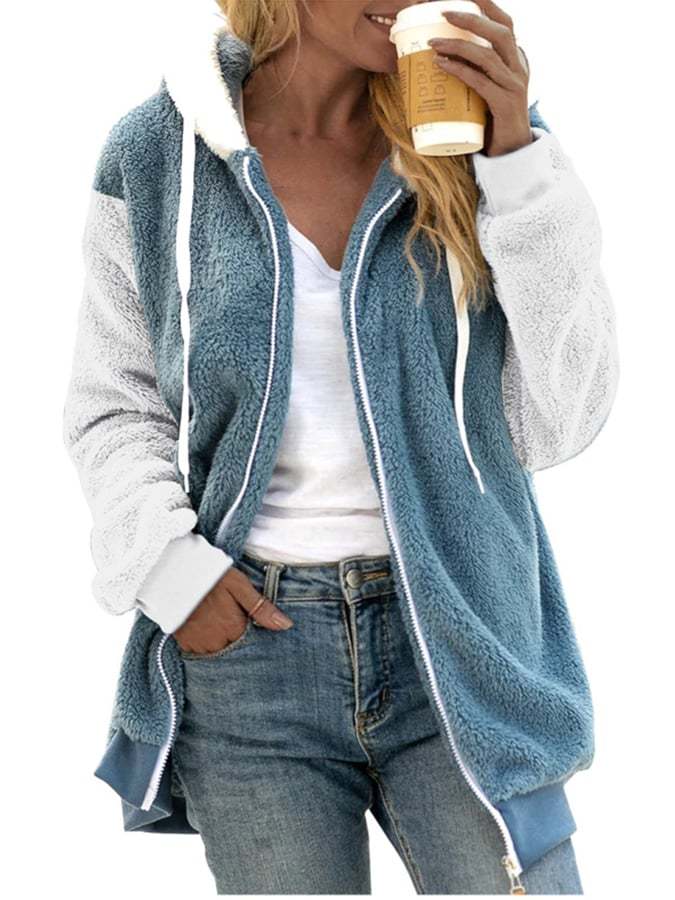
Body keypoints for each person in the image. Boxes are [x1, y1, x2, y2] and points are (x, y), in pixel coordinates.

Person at [62, 0, 619, 894]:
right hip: (251, 656)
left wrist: (515, 162)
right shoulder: (156, 151)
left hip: (458, 638)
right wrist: (174, 574)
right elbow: (115, 400)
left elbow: (560, 419)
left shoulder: (474, 140)